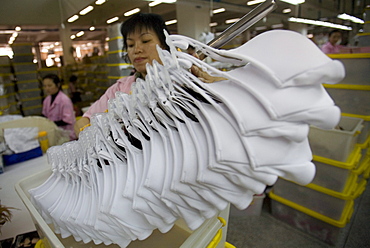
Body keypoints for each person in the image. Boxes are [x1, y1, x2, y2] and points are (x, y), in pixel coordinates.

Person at [74, 13, 221, 137]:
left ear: (164, 45)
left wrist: (214, 84)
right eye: (130, 45)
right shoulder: (119, 89)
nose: (137, 49)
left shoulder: (185, 78)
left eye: (145, 41)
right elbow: (83, 121)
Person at [42, 74, 76, 140]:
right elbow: (44, 115)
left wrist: (51, 124)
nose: (47, 88)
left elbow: (67, 120)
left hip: (67, 134)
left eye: (49, 85)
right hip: (55, 133)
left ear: (57, 85)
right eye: (45, 86)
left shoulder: (64, 100)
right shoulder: (47, 100)